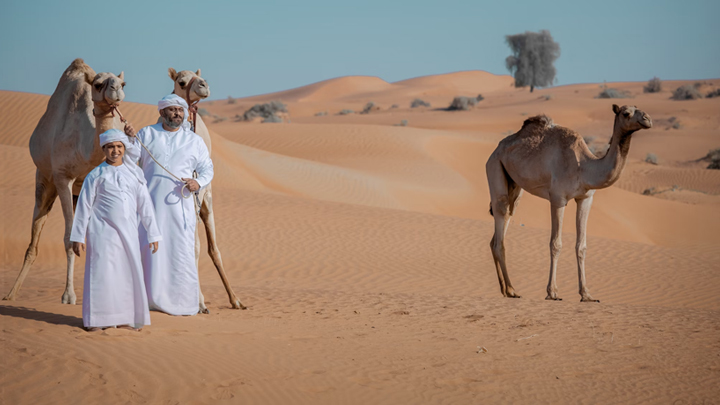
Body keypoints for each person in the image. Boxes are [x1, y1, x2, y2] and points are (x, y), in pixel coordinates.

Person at [124, 94, 213, 316]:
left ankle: (182, 303)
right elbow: (131, 159)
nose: (177, 114)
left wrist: (197, 182)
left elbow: (207, 168)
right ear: (162, 112)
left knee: (180, 251)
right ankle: (149, 300)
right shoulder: (147, 133)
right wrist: (130, 140)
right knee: (150, 249)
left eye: (180, 111)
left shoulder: (194, 141)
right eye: (172, 110)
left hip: (180, 207)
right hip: (150, 205)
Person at [70, 129, 162, 331]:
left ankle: (127, 319)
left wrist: (153, 233)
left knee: (127, 275)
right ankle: (97, 320)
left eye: (119, 146)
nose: (115, 151)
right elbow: (83, 206)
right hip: (102, 234)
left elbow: (145, 206)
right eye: (111, 147)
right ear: (104, 149)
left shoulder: (134, 175)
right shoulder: (95, 175)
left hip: (129, 234)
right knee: (102, 275)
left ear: (124, 148)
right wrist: (78, 237)